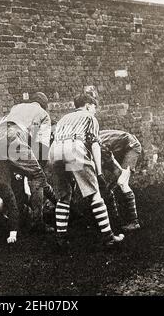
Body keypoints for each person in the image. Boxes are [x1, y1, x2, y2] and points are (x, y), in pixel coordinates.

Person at [49, 93, 124, 248]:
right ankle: (109, 236)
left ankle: (60, 238)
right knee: (95, 193)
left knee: (64, 196)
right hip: (74, 148)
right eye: (94, 107)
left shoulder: (64, 118)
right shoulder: (90, 117)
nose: (95, 110)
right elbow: (95, 145)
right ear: (88, 105)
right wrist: (99, 172)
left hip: (54, 151)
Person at [0, 92, 55, 231]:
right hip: (15, 138)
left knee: (15, 177)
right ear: (44, 105)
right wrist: (40, 167)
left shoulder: (17, 107)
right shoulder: (43, 114)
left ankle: (16, 216)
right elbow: (41, 144)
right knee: (37, 177)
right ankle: (38, 223)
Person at [99, 129, 142, 231]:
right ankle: (116, 218)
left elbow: (109, 158)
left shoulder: (95, 143)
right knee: (111, 185)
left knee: (122, 182)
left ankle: (134, 222)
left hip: (131, 146)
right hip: (119, 148)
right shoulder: (88, 140)